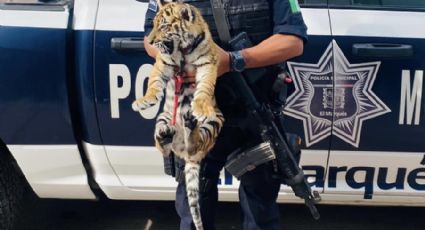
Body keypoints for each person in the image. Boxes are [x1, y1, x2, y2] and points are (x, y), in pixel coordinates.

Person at [143, 0, 308, 229]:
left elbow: (293, 41)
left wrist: (233, 61)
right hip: (195, 113)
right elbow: (150, 39)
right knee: (194, 210)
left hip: (254, 111)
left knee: (261, 211)